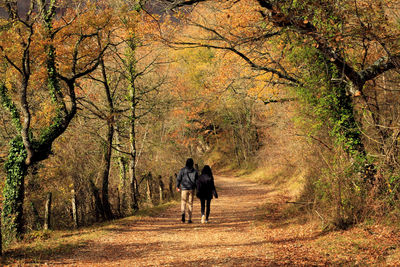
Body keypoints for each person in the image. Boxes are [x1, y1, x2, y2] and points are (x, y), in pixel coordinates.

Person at [176, 158, 198, 223]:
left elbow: (178, 179)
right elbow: (197, 181)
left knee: (183, 202)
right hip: (192, 189)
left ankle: (183, 214)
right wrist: (197, 189)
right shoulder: (195, 171)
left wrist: (177, 186)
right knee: (190, 203)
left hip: (184, 189)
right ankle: (189, 219)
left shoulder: (182, 170)